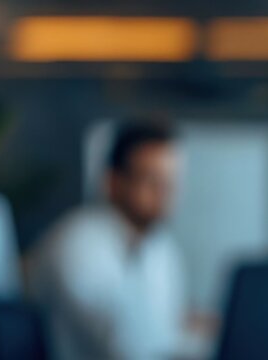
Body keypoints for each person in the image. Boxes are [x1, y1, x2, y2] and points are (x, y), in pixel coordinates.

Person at [27, 120, 197, 360]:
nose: (164, 193)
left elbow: (167, 333)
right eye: (152, 180)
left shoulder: (162, 248)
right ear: (113, 182)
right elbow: (120, 346)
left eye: (171, 181)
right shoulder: (75, 245)